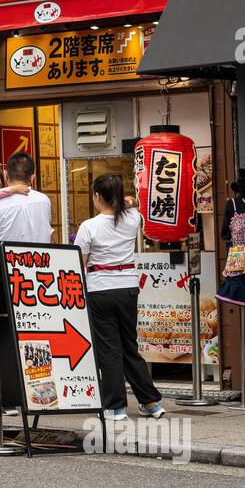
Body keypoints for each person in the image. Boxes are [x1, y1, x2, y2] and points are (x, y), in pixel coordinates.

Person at [74, 174, 165, 421]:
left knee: (109, 349)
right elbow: (133, 203)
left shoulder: (88, 227)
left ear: (96, 196)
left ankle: (115, 406)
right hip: (128, 288)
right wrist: (126, 201)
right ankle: (151, 402)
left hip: (100, 289)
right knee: (129, 346)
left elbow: (80, 263)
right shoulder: (133, 218)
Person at [0, 153, 53, 295]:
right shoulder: (44, 201)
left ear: (5, 174)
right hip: (40, 278)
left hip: (7, 280)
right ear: (32, 177)